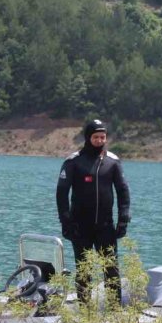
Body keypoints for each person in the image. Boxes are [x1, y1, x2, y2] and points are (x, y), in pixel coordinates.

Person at [57, 119, 130, 303]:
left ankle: (114, 310)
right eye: (96, 137)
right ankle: (85, 310)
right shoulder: (73, 161)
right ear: (88, 137)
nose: (99, 140)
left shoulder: (112, 161)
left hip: (105, 227)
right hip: (80, 227)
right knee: (84, 270)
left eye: (103, 137)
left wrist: (123, 218)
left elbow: (123, 190)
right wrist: (65, 222)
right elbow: (61, 193)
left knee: (111, 269)